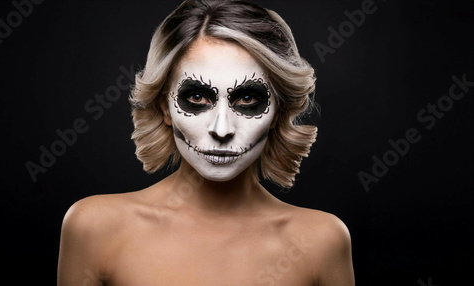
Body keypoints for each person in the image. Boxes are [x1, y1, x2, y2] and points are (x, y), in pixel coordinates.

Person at [57, 0, 355, 285]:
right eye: (197, 97)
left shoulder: (321, 241)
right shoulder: (94, 228)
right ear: (165, 107)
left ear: (278, 111)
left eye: (248, 98)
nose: (221, 129)